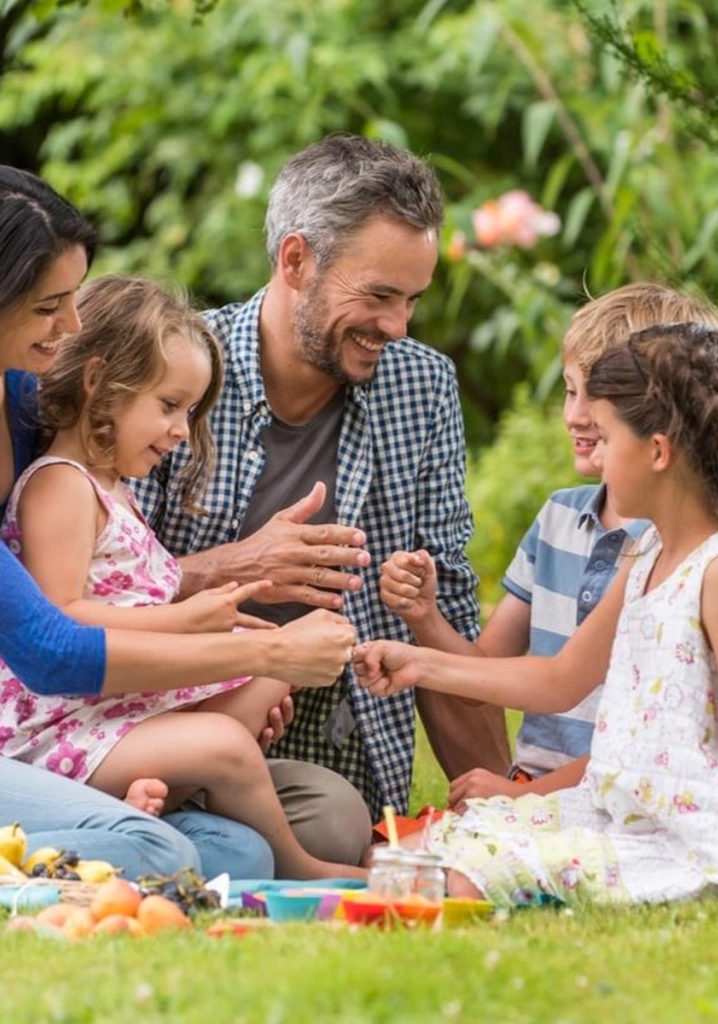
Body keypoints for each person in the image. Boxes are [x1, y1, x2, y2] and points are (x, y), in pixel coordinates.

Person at [0, 163, 355, 904]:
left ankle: (20, 850)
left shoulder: (18, 402)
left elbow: (95, 578)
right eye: (50, 306)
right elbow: (49, 649)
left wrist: (233, 576)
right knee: (153, 848)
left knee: (233, 848)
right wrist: (268, 649)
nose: (73, 327)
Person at [355, 322, 718, 919]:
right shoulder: (648, 555)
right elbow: (559, 679)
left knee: (443, 884)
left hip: (687, 850)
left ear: (658, 451)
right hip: (612, 812)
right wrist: (418, 663)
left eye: (609, 437)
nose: (597, 455)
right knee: (401, 856)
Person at [132, 134, 509, 841]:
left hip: (333, 756)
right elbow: (84, 599)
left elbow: (448, 610)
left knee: (334, 825)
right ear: (296, 261)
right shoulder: (168, 372)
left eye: (413, 301)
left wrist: (499, 819)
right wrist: (236, 568)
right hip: (159, 730)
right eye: (379, 296)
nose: (397, 327)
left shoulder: (423, 387)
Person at [0, 274, 363, 880]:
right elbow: (58, 617)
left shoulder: (114, 491)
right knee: (228, 743)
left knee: (267, 677)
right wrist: (185, 621)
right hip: (53, 729)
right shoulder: (59, 486)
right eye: (169, 406)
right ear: (100, 383)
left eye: (190, 410)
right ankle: (300, 867)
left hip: (107, 711)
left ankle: (146, 801)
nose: (182, 431)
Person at [380, 284, 718, 809]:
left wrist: (526, 798)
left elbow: (648, 743)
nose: (576, 416)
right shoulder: (559, 520)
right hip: (534, 788)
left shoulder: (677, 551)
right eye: (570, 391)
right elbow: (484, 678)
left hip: (621, 795)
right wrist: (424, 617)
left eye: (597, 398)